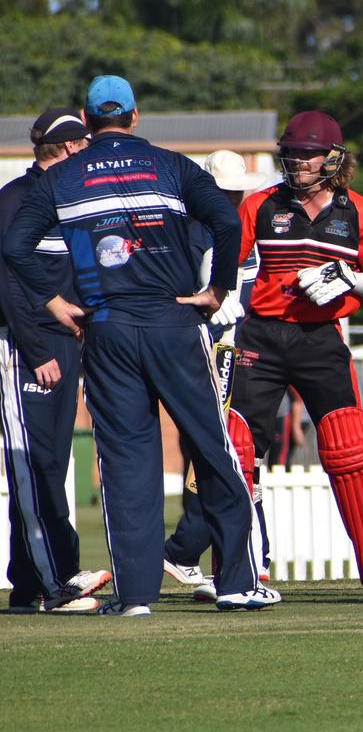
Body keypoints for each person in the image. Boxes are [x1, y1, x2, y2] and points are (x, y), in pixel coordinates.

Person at [4, 75, 278, 615]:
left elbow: (14, 246)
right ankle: (238, 582)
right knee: (212, 446)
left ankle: (135, 597)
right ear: (134, 117)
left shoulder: (63, 178)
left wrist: (54, 304)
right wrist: (217, 289)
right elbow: (226, 221)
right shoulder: (172, 165)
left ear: (87, 120)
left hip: (105, 331)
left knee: (127, 461)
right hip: (174, 322)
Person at [225, 110, 363, 598]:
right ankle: (242, 568)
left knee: (351, 445)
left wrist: (347, 278)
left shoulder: (359, 212)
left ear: (333, 157)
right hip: (260, 337)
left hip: (321, 337)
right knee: (237, 447)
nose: (299, 161)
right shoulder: (260, 205)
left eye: (308, 153)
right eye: (293, 152)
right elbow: (228, 268)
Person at [0, 108, 111, 614]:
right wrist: (36, 348)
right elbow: (7, 283)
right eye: (84, 146)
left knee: (51, 464)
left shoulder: (75, 199)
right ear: (66, 149)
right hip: (28, 350)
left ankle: (32, 583)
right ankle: (56, 581)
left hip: (67, 348)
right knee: (34, 468)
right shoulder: (16, 200)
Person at [163, 149, 267, 600]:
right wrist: (209, 304)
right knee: (216, 451)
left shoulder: (239, 226)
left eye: (235, 191)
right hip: (206, 344)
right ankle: (184, 549)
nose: (230, 199)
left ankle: (196, 552)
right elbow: (182, 290)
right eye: (223, 191)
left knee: (226, 450)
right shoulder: (194, 229)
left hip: (234, 343)